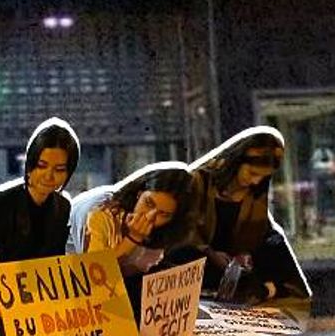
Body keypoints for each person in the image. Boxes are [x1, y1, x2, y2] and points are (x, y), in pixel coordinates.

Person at [180, 127, 310, 303]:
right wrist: (211, 253)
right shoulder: (198, 180)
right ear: (236, 162)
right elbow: (183, 230)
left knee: (275, 241)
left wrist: (245, 253)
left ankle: (273, 291)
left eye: (262, 177)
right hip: (200, 257)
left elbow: (259, 231)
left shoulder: (254, 193)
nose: (256, 181)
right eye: (252, 173)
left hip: (235, 262)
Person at [71, 164, 195, 323]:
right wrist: (132, 239)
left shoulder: (164, 231)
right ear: (139, 194)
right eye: (148, 203)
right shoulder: (102, 214)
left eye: (163, 214)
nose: (150, 216)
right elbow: (93, 273)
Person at [0, 118, 78, 262]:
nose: (49, 176)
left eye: (59, 169)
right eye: (42, 166)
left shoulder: (63, 207)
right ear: (30, 163)